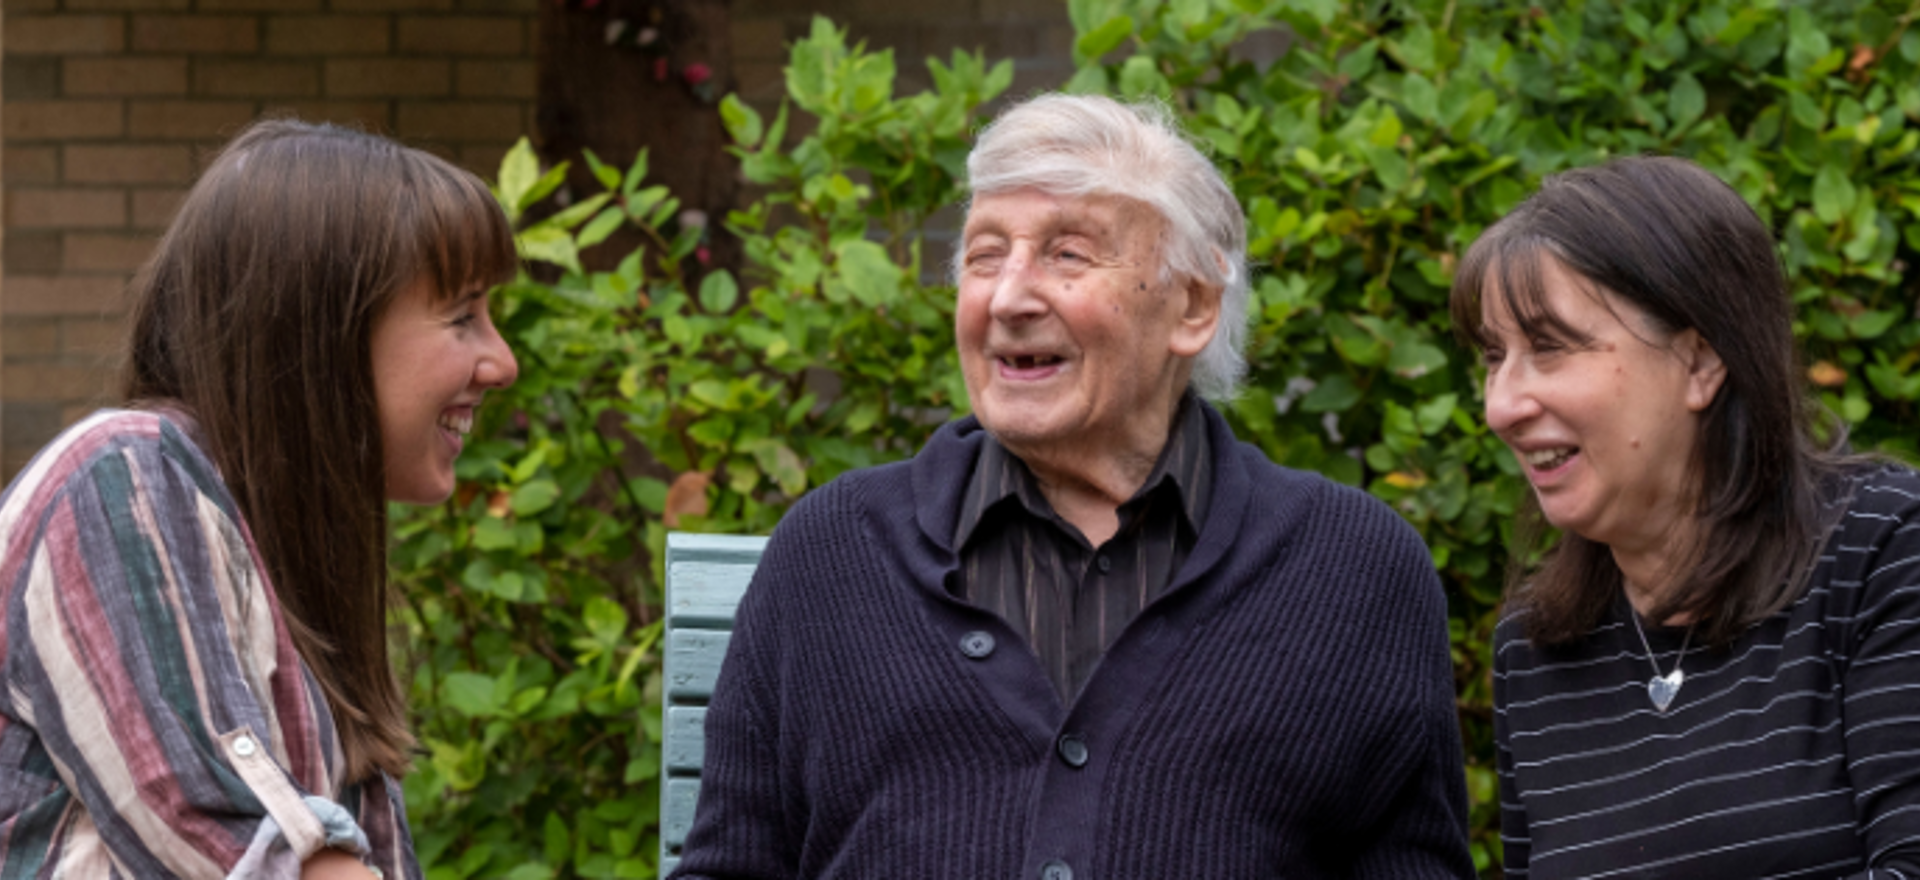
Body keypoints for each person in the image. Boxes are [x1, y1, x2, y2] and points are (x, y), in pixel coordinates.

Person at [672, 94, 1473, 879]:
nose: (1010, 297)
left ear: (1193, 306)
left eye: (1068, 254)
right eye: (985, 256)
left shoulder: (1353, 568)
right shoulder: (832, 551)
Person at [0, 120, 519, 878]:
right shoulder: (123, 482)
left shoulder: (285, 548)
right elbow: (238, 849)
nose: (501, 363)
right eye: (462, 317)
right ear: (325, 331)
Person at [1457, 155, 1920, 877]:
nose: (1501, 406)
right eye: (1494, 356)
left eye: (1550, 347)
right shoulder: (1535, 651)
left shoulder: (1883, 548)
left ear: (1701, 361)